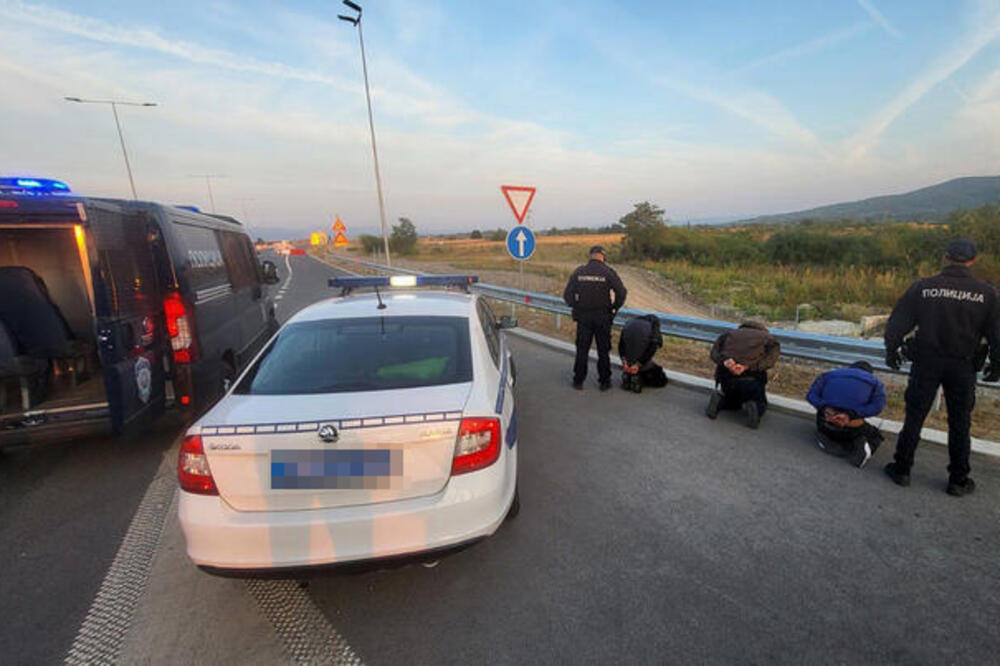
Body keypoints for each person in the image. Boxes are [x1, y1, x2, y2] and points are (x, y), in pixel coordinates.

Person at [883, 238, 1000, 496]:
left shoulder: (923, 287)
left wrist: (891, 351)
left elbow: (896, 324)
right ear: (973, 261)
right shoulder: (987, 293)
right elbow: (997, 334)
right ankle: (958, 479)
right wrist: (996, 364)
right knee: (960, 422)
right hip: (964, 365)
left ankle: (902, 469)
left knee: (914, 416)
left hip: (926, 362)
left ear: (946, 258)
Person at [563, 245, 627, 391]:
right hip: (603, 316)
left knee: (582, 350)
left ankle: (578, 381)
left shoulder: (579, 271)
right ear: (603, 257)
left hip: (583, 317)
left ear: (590, 256)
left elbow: (567, 296)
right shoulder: (608, 272)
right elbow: (621, 293)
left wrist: (576, 306)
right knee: (603, 351)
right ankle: (604, 382)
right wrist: (614, 307)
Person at [806, 361, 887, 468]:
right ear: (869, 373)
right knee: (875, 435)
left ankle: (826, 438)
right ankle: (862, 447)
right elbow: (878, 407)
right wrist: (851, 415)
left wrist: (824, 407)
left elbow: (811, 395)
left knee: (823, 421)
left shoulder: (828, 375)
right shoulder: (876, 383)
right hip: (850, 426)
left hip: (826, 421)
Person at [705, 321, 780, 428]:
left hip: (727, 379)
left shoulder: (728, 334)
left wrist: (725, 362)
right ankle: (755, 408)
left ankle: (719, 401)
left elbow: (714, 354)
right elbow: (770, 361)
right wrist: (747, 367)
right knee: (760, 402)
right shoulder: (768, 338)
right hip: (752, 380)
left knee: (732, 402)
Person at [618, 314, 668, 393]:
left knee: (634, 355)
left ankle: (628, 376)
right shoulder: (652, 326)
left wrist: (624, 361)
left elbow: (621, 345)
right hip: (640, 363)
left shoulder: (628, 323)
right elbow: (651, 350)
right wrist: (638, 364)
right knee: (660, 376)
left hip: (627, 363)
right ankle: (638, 379)